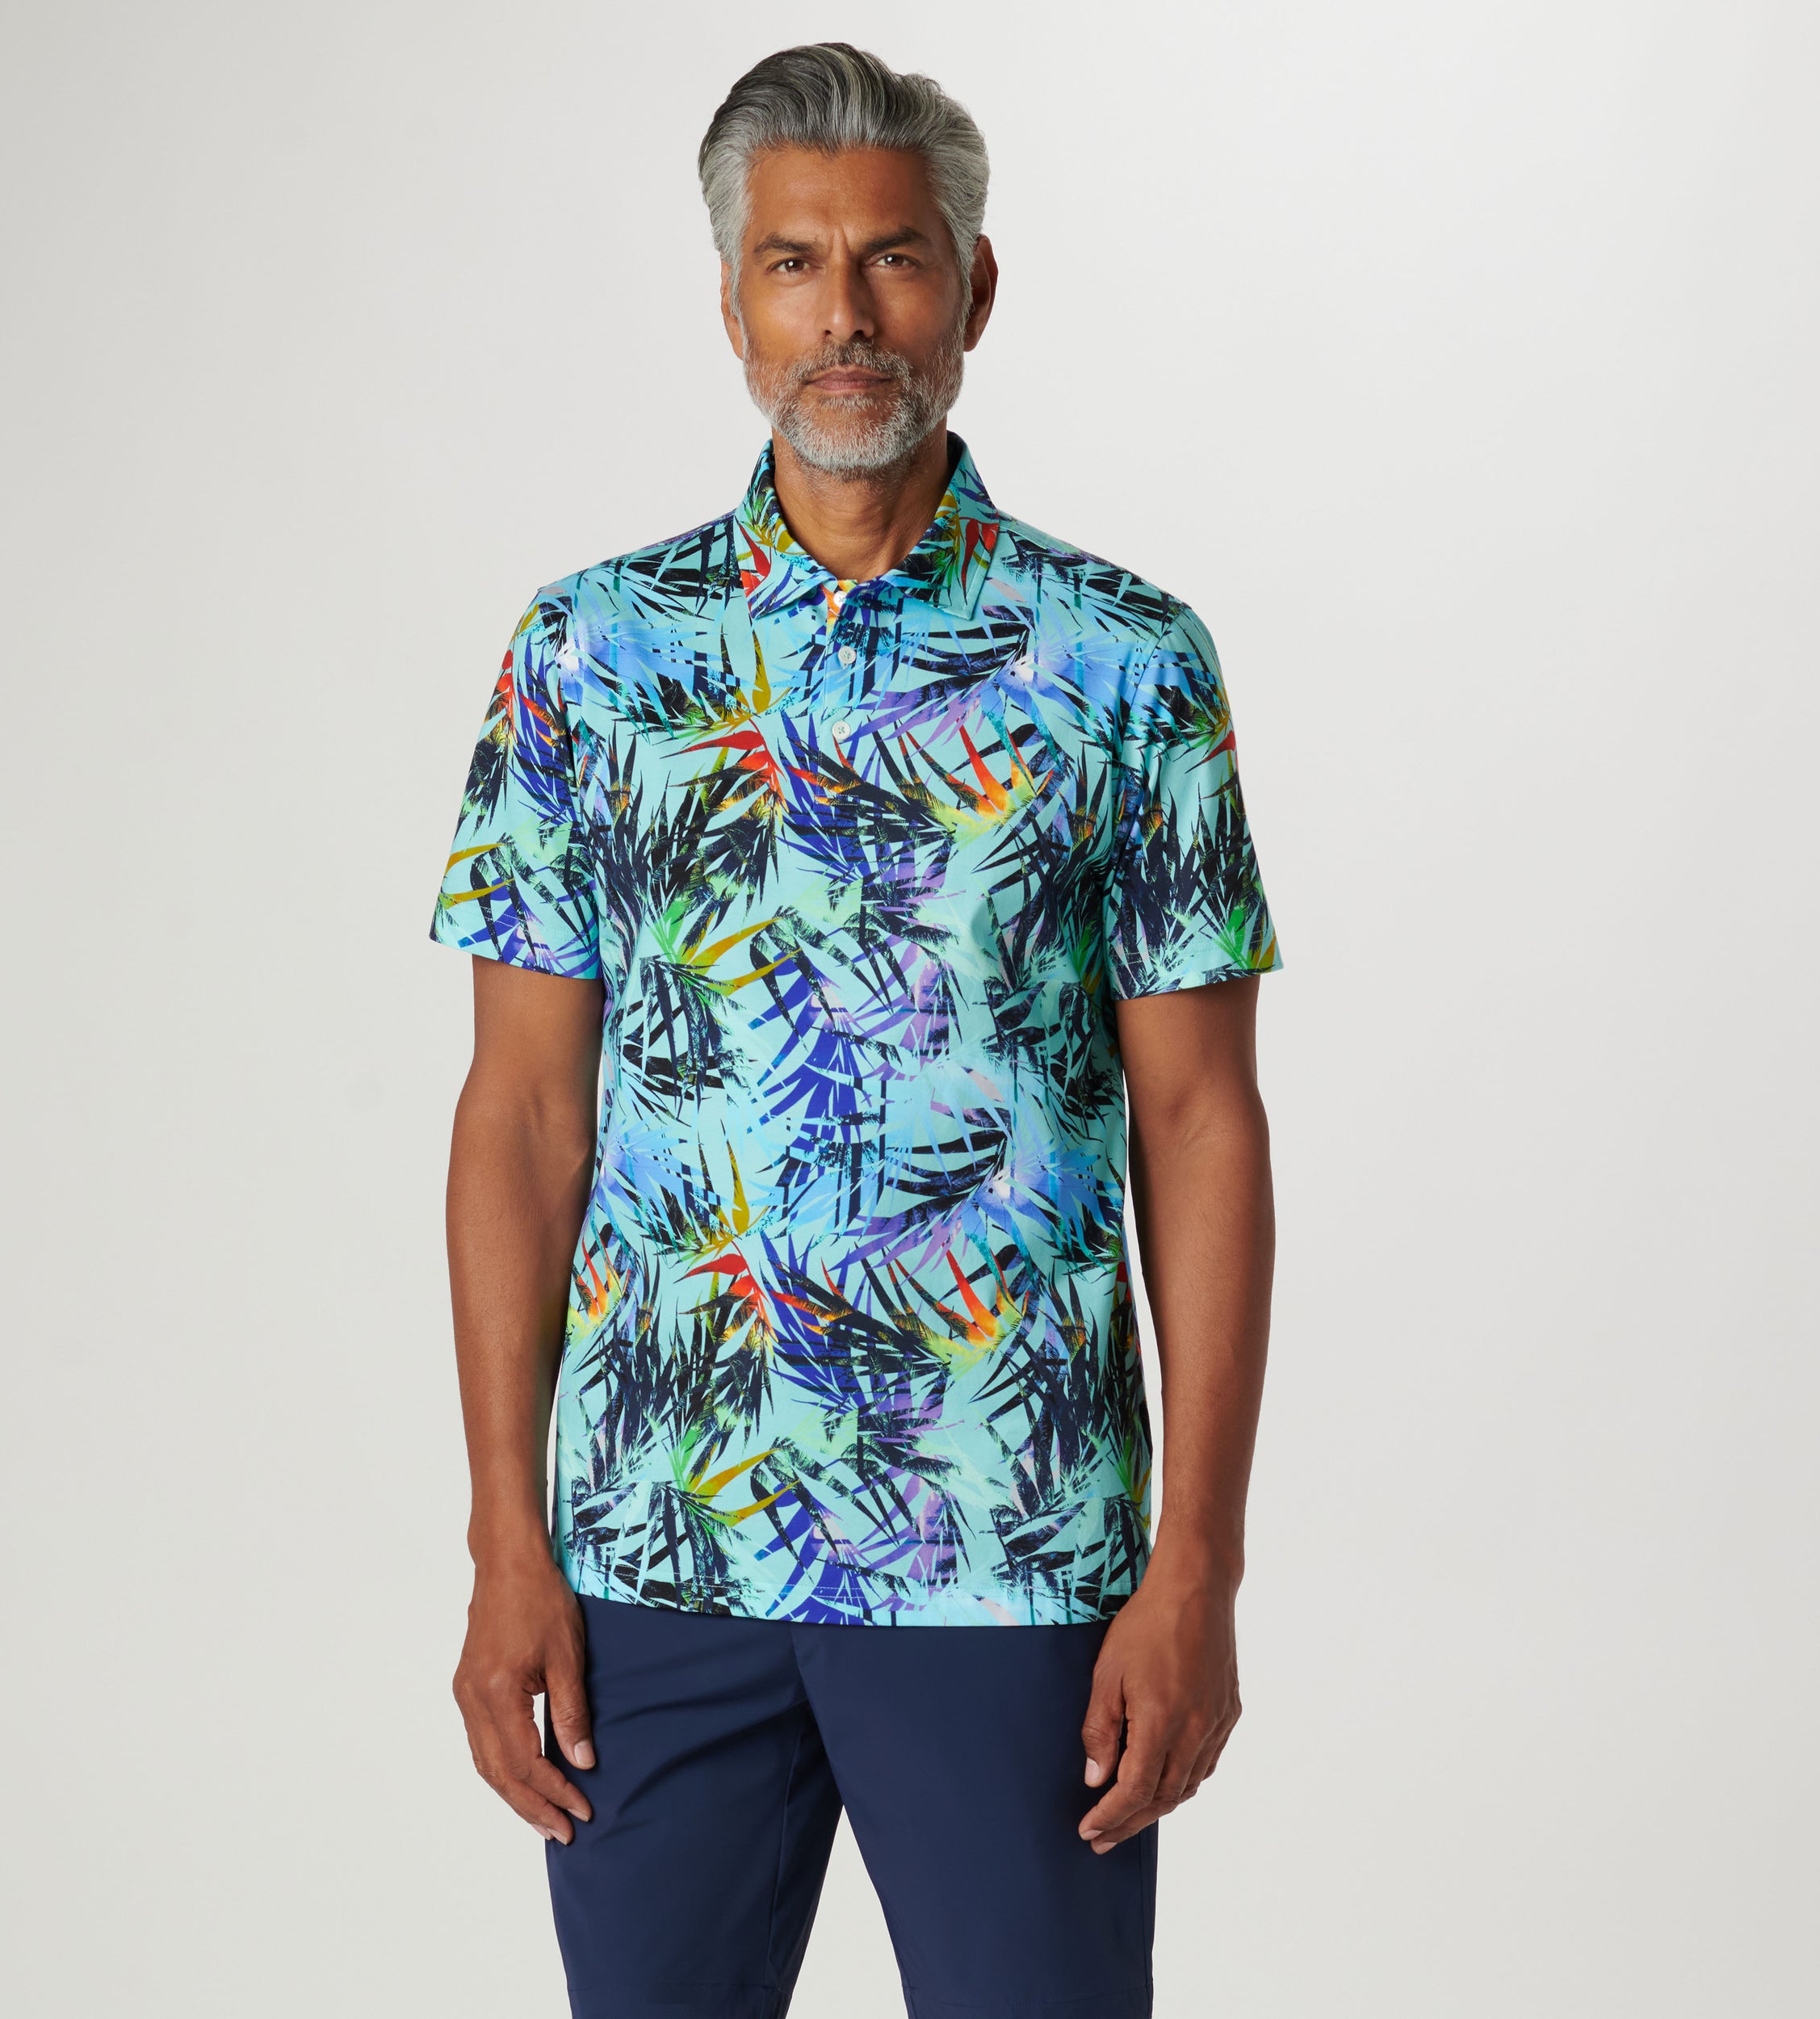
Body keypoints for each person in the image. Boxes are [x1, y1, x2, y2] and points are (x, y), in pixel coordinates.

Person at [431, 42, 1279, 2019]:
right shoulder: (590, 654)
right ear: (731, 299)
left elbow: (1200, 1124)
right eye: (793, 262)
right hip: (659, 1537)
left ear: (971, 288)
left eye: (892, 259)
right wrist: (503, 1541)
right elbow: (522, 1119)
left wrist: (1196, 1565)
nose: (845, 315)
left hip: (1007, 1539)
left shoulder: (1122, 664)